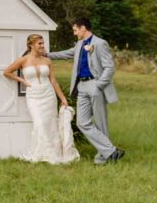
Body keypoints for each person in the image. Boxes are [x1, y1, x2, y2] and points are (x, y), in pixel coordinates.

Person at [47, 17, 126, 165]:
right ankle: (111, 151)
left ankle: (102, 159)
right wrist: (45, 55)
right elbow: (65, 54)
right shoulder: (79, 45)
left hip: (95, 85)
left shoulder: (100, 43)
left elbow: (109, 67)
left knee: (100, 123)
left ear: (83, 28)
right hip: (81, 87)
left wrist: (99, 85)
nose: (75, 33)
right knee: (82, 122)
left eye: (75, 30)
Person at [4, 34, 79, 164]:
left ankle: (52, 153)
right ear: (31, 45)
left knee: (50, 124)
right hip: (33, 95)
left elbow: (53, 81)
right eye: (40, 43)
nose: (43, 46)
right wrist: (22, 80)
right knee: (39, 123)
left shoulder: (47, 61)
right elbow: (7, 72)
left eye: (43, 43)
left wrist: (62, 98)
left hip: (48, 94)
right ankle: (40, 152)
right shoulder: (23, 60)